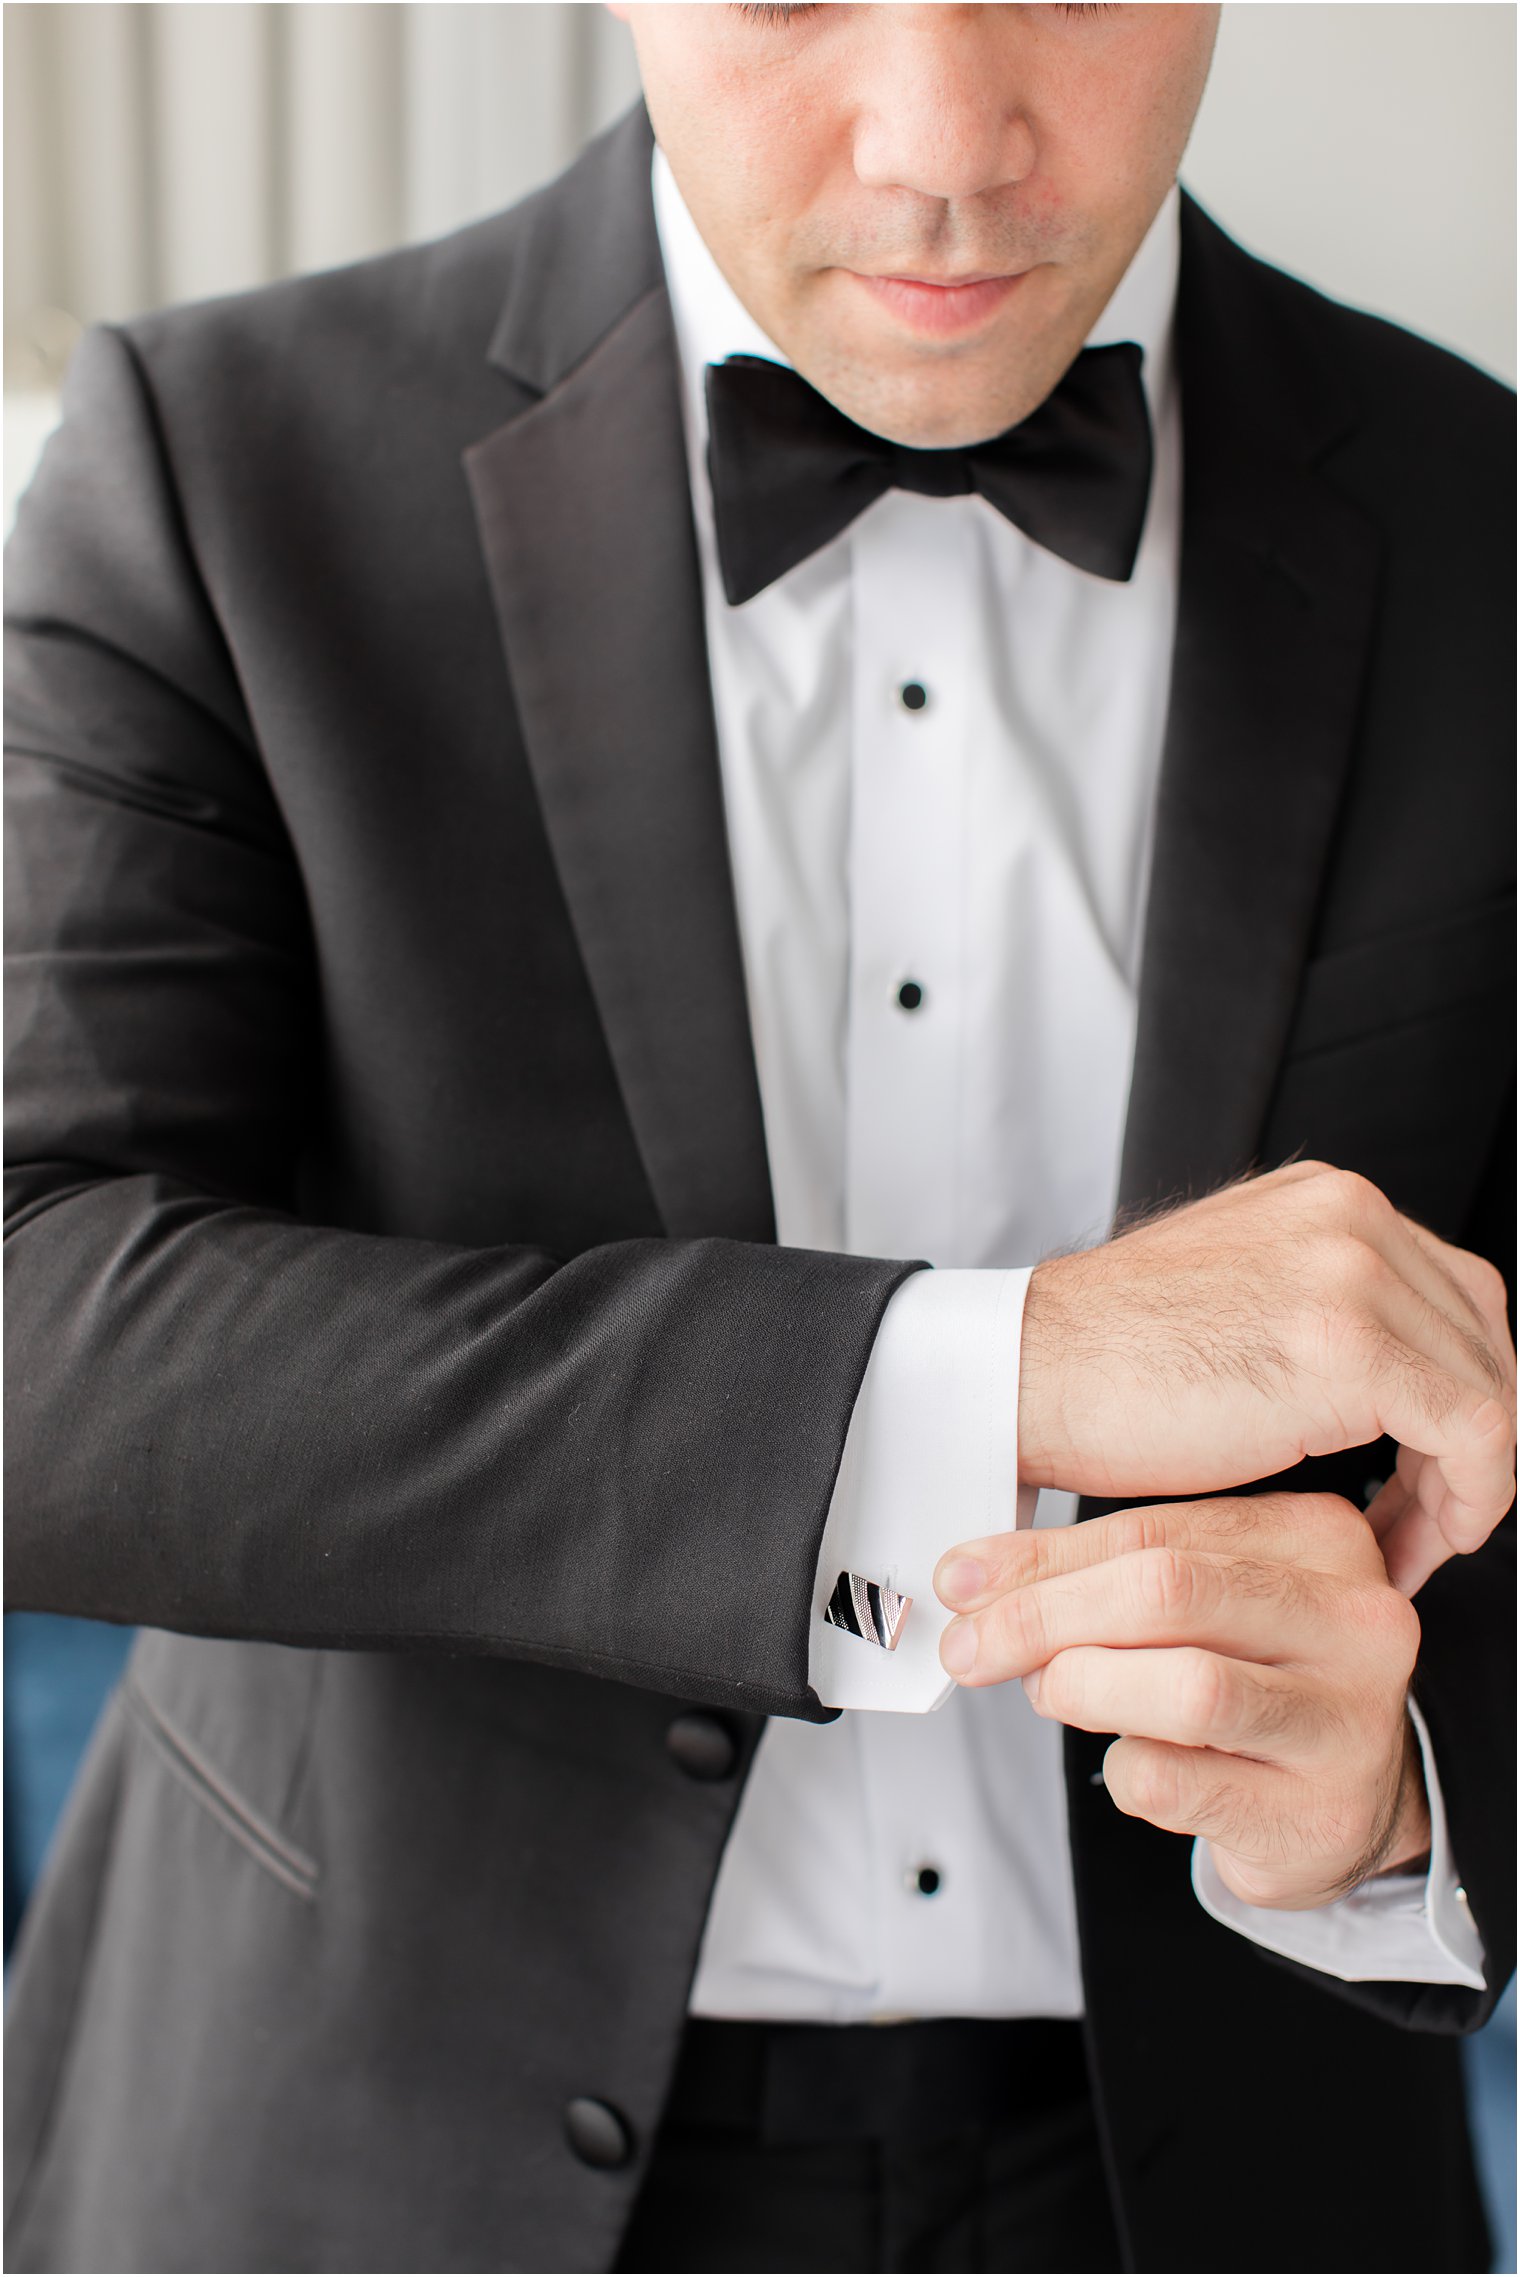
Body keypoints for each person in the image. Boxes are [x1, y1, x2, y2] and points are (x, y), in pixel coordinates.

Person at [4, 5, 1514, 2270]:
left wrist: (1408, 1803)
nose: (943, 144)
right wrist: (998, 1373)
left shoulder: (1489, 525)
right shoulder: (212, 463)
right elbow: (38, 1339)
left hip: (1225, 2178)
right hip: (348, 2152)